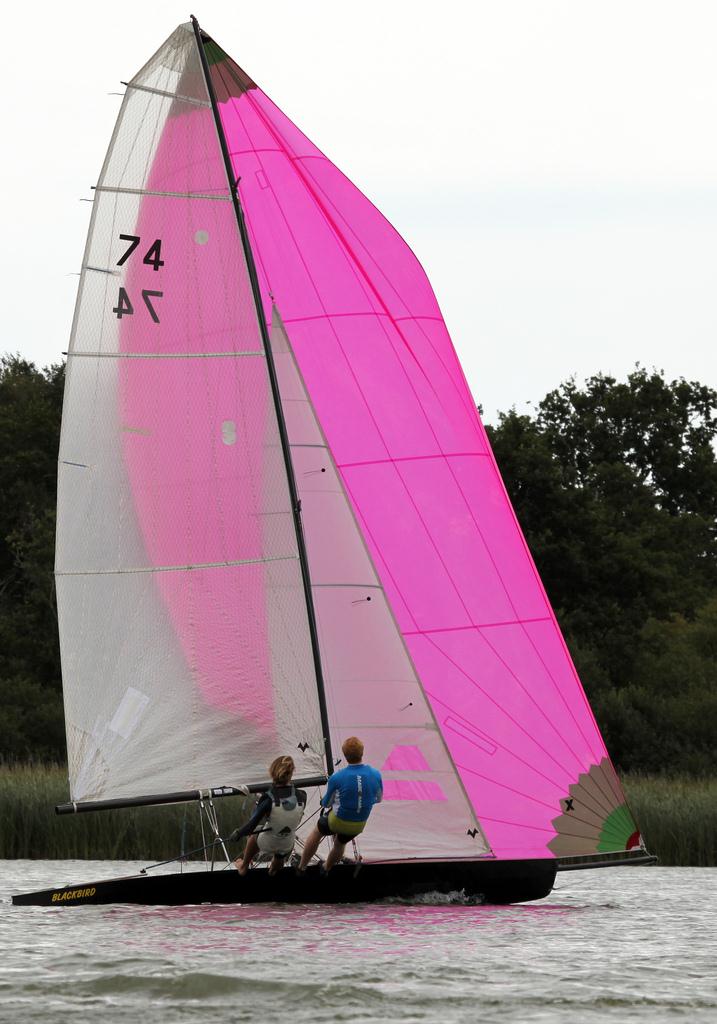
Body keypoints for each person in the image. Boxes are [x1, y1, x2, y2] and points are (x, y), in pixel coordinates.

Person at [297, 736, 382, 875]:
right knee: (340, 843)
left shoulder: (337, 777)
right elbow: (378, 799)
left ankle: (301, 867)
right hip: (359, 824)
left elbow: (326, 803)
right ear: (362, 752)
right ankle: (326, 867)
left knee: (317, 832)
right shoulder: (376, 774)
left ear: (345, 755)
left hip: (337, 821)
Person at [230, 755, 307, 876]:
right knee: (284, 839)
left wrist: (238, 833)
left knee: (256, 831)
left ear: (272, 773)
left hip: (268, 843)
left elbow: (251, 826)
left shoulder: (268, 798)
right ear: (291, 773)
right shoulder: (302, 796)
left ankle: (243, 866)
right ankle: (274, 869)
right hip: (288, 845)